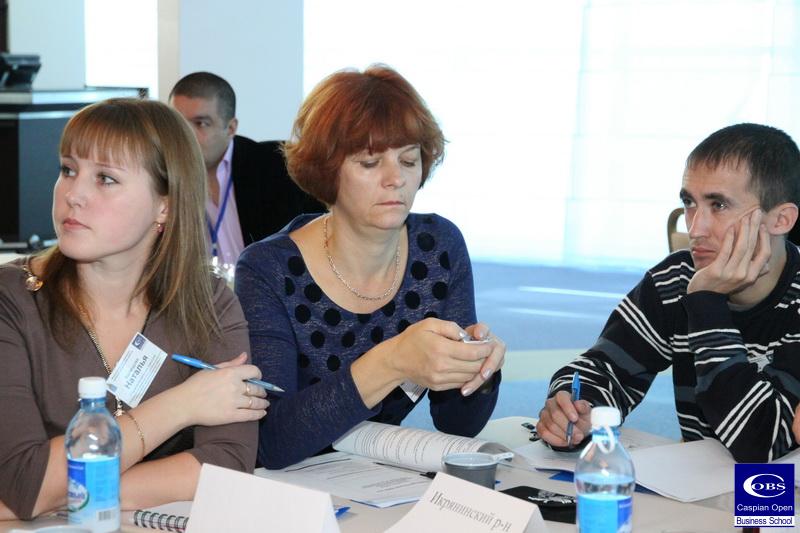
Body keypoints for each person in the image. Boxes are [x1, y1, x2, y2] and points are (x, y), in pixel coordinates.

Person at [0, 98, 269, 520]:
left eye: (105, 178)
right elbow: (26, 482)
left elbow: (228, 464)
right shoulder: (13, 298)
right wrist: (182, 404)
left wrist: (61, 492)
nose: (73, 194)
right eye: (68, 170)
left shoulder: (209, 302)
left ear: (165, 205)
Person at [236, 65, 506, 469]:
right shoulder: (268, 269)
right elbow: (271, 441)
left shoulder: (438, 248)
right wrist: (392, 360)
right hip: (292, 483)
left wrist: (479, 370)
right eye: (369, 163)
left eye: (409, 160)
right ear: (328, 170)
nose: (396, 178)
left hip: (377, 477)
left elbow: (456, 423)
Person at [537, 123, 800, 463]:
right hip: (696, 482)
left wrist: (707, 303)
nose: (695, 228)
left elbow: (761, 442)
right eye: (689, 202)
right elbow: (604, 367)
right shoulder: (676, 278)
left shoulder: (703, 290)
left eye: (718, 205)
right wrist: (576, 409)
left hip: (781, 490)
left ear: (781, 220)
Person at [169, 72, 324, 271]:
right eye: (178, 123)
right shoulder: (160, 177)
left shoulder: (277, 168)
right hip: (200, 290)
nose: (186, 135)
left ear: (231, 128)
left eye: (201, 124)